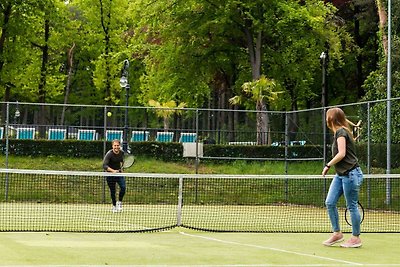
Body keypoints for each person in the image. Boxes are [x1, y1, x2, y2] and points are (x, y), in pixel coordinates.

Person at [322, 107, 364, 248]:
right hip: (340, 175)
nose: (326, 119)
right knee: (330, 202)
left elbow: (341, 153)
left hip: (351, 174)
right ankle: (337, 233)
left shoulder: (341, 132)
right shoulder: (341, 131)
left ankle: (355, 238)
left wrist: (328, 165)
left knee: (351, 206)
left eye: (327, 116)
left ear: (331, 119)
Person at [103, 139, 126, 213]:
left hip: (119, 174)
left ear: (120, 146)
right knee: (113, 191)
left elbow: (123, 161)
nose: (116, 147)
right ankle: (114, 206)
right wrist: (113, 171)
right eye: (115, 145)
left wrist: (122, 168)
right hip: (110, 174)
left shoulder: (122, 153)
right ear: (112, 146)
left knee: (123, 187)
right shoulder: (109, 154)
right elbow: (104, 165)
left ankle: (119, 203)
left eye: (117, 145)